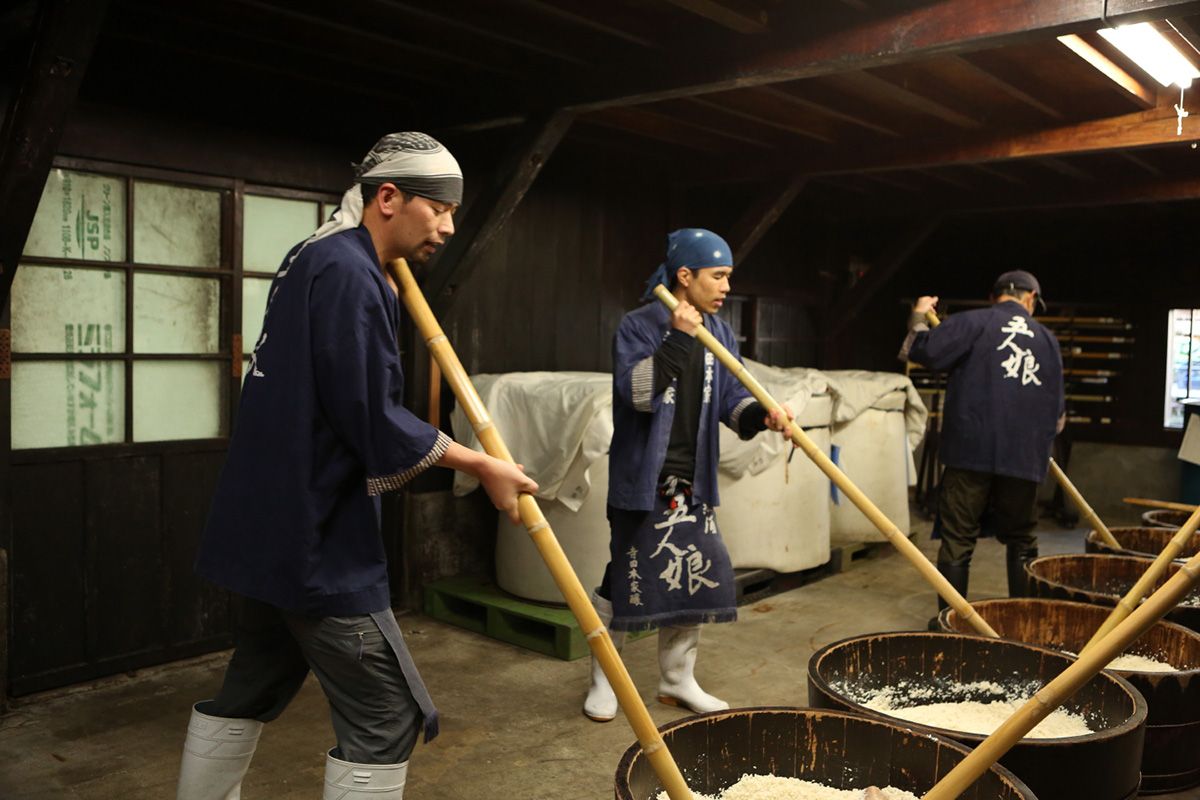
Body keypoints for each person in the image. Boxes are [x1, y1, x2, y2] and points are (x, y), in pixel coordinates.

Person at [176, 132, 538, 800]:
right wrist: (480, 462)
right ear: (389, 198)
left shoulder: (311, 256)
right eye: (441, 209)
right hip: (314, 533)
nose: (450, 226)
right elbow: (369, 417)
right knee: (386, 713)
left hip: (264, 524)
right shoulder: (349, 272)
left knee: (252, 683)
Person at [583, 228, 792, 722]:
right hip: (643, 482)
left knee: (695, 579)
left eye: (727, 278)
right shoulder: (639, 326)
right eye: (717, 276)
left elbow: (731, 399)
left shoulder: (720, 333)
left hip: (692, 484)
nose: (725, 287)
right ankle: (604, 680)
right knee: (624, 582)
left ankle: (677, 680)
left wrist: (763, 415)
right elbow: (637, 394)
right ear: (685, 276)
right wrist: (677, 336)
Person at [899, 270, 1064, 629]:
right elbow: (1058, 416)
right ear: (1030, 300)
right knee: (1021, 537)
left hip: (970, 452)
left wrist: (919, 314)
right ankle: (1023, 621)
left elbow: (923, 350)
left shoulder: (971, 323)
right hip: (1023, 457)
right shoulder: (1048, 340)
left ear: (994, 297)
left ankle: (951, 620)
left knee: (958, 537)